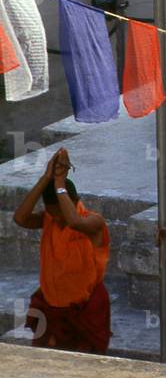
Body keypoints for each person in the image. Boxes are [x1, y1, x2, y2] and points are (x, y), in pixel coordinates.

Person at [13, 147, 111, 353]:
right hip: (51, 308)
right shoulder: (49, 219)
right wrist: (45, 178)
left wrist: (59, 183)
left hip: (84, 310)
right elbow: (20, 218)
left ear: (75, 202)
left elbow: (74, 222)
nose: (57, 220)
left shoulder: (93, 222)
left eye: (60, 215)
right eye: (52, 214)